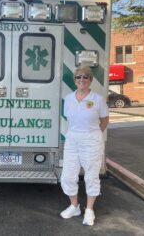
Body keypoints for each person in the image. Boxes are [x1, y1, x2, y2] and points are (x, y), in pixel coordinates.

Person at [60, 66, 109, 226]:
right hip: (73, 139)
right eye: (79, 77)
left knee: (91, 175)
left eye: (85, 77)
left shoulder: (98, 99)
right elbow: (70, 120)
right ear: (75, 80)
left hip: (91, 140)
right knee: (68, 176)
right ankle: (75, 206)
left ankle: (89, 210)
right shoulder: (68, 98)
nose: (82, 80)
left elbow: (104, 120)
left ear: (90, 80)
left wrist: (93, 133)